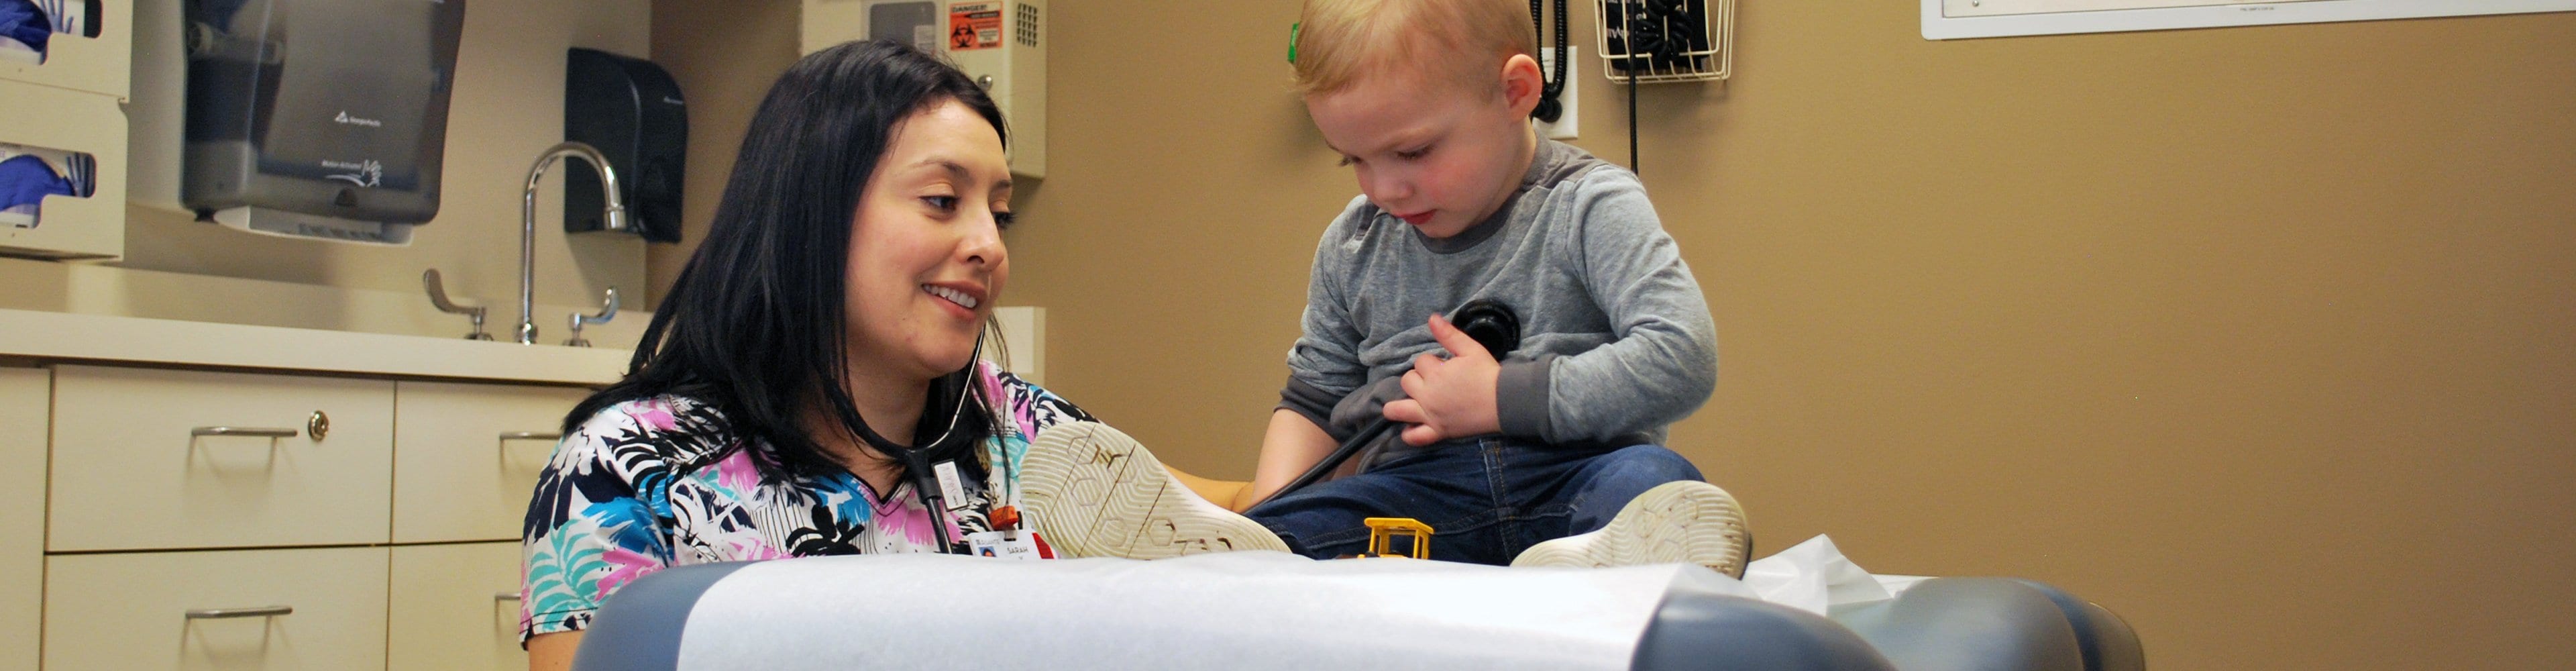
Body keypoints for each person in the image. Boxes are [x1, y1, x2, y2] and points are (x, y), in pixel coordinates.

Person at [1024, 0, 1750, 574]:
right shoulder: (1355, 239)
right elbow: (1312, 399)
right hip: (1416, 503)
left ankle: (1585, 576)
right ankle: (1228, 562)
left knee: (1658, 482)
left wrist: (1501, 398)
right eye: (1353, 161)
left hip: (1579, 479)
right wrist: (1268, 515)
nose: (1384, 187)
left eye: (1412, 151)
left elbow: (1680, 356)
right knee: (1304, 526)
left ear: (1516, 92)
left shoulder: (1590, 204)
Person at [517, 40, 1093, 670]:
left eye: (999, 215)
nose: (989, 245)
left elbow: (1199, 517)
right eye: (941, 201)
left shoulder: (1020, 428)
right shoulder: (626, 470)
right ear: (811, 212)